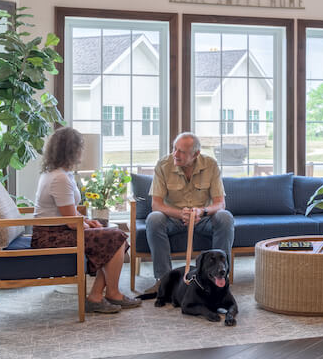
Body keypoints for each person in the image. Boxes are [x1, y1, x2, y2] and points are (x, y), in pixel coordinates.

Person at [32, 126, 141, 314]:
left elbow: (69, 213)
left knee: (114, 236)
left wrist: (88, 222)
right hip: (51, 236)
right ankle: (109, 294)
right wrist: (85, 223)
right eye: (80, 147)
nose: (82, 151)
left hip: (58, 230)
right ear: (71, 150)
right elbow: (69, 220)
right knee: (117, 238)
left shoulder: (60, 174)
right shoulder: (59, 178)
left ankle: (98, 295)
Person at [146, 131, 234, 280]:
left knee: (225, 217)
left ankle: (218, 277)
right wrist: (180, 214)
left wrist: (202, 211)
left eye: (181, 151)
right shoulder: (163, 165)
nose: (175, 154)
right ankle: (164, 280)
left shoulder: (210, 165)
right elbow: (156, 205)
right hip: (173, 219)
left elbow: (220, 204)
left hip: (203, 219)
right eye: (174, 148)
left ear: (195, 154)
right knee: (153, 219)